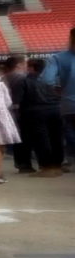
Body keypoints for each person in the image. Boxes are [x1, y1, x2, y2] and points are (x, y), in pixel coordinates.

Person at [13, 59, 63, 177]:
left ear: (31, 68)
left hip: (35, 111)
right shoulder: (54, 81)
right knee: (56, 138)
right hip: (57, 109)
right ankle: (57, 164)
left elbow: (17, 101)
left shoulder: (24, 81)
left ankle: (47, 166)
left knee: (41, 139)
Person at [42, 27, 75, 171]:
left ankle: (72, 159)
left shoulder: (57, 58)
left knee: (70, 131)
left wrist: (57, 90)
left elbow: (46, 80)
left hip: (70, 103)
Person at [0, 55, 34, 173]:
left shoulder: (2, 79)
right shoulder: (22, 78)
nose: (27, 66)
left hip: (8, 111)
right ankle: (25, 164)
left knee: (18, 139)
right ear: (19, 65)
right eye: (25, 64)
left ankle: (21, 163)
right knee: (25, 138)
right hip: (21, 111)